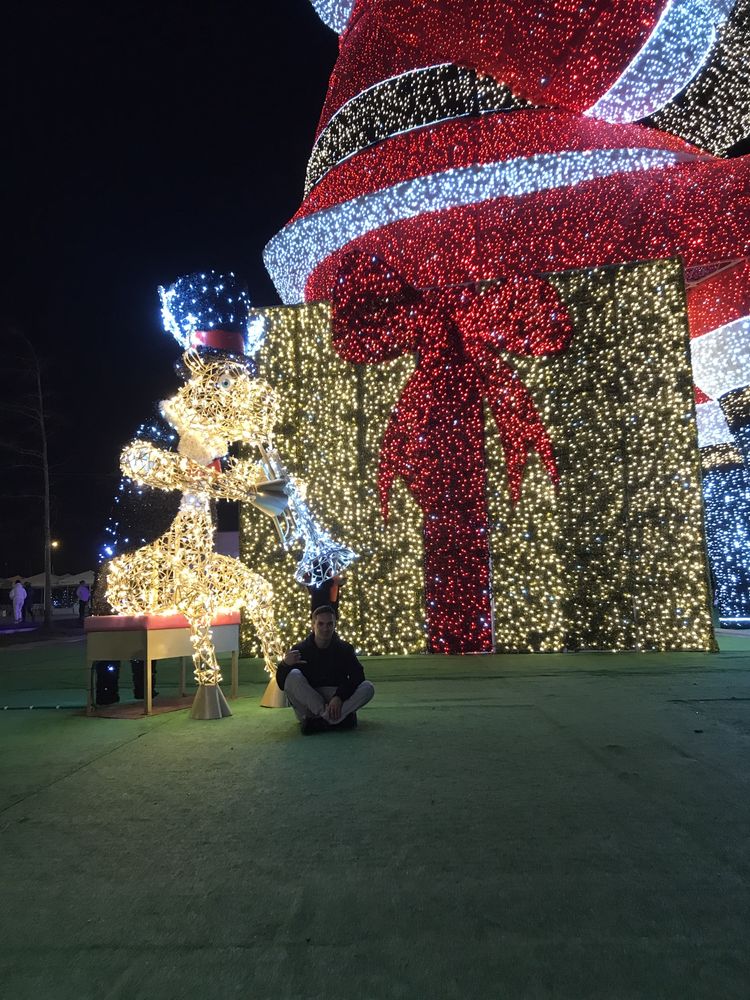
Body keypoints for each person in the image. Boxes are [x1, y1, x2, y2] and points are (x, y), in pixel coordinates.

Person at [276, 605, 374, 734]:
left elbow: (358, 676)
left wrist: (339, 697)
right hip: (309, 704)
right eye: (320, 624)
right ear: (313, 625)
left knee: (368, 687)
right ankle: (337, 719)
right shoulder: (300, 649)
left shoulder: (344, 649)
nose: (325, 628)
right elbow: (283, 684)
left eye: (329, 624)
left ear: (334, 625)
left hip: (335, 698)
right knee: (293, 674)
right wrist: (285, 664)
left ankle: (320, 722)